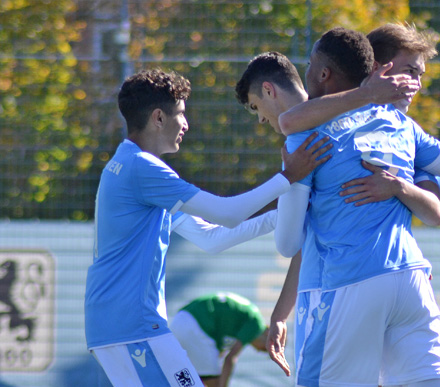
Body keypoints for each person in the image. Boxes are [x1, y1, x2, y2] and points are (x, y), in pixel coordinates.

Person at [237, 28, 440, 387]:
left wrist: (291, 183)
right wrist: (405, 189)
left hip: (348, 282)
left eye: (310, 65)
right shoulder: (400, 124)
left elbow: (290, 244)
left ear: (323, 73)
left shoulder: (305, 137)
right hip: (411, 278)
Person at [84, 68, 332, 387]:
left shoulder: (132, 166)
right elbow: (226, 213)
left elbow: (211, 237)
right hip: (132, 327)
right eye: (181, 114)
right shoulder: (143, 169)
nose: (186, 124)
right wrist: (288, 177)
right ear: (158, 118)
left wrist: (282, 216)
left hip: (122, 326)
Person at [170, 292, 270, 387]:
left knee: (195, 380)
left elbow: (220, 351)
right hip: (197, 327)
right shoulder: (256, 325)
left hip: (179, 321)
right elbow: (230, 358)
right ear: (268, 334)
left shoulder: (245, 318)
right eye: (264, 349)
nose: (258, 351)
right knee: (216, 383)